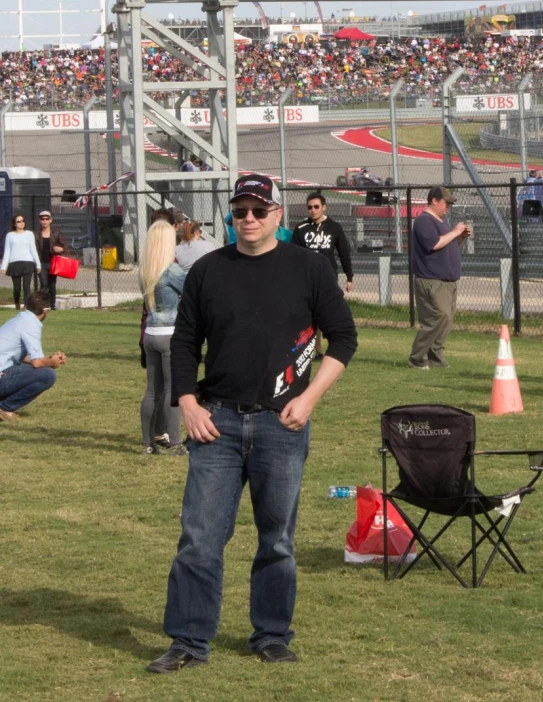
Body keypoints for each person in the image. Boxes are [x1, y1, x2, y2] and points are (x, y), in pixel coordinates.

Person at [147, 174, 357, 673]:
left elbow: (344, 339)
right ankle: (188, 642)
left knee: (278, 540)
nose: (248, 219)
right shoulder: (208, 271)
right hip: (214, 425)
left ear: (278, 215)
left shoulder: (308, 267)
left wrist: (308, 400)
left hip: (280, 426)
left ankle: (271, 635)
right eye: (240, 211)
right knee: (199, 538)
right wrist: (188, 403)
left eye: (259, 211)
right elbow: (183, 343)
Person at [408, 186, 472, 370]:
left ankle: (435, 358)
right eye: (446, 203)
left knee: (446, 320)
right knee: (436, 318)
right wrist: (455, 231)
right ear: (435, 200)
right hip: (432, 280)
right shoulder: (424, 221)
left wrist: (460, 238)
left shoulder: (440, 222)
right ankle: (417, 358)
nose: (448, 208)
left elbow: (446, 246)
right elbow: (434, 244)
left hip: (447, 282)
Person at [139, 219, 188, 456]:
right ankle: (176, 442)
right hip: (170, 333)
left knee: (152, 390)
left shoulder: (146, 270)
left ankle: (148, 442)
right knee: (172, 389)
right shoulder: (171, 270)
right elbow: (191, 293)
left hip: (150, 333)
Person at [292, 192, 354, 359]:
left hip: (328, 277)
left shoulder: (334, 227)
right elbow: (294, 255)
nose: (313, 210)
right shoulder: (300, 229)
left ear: (323, 207)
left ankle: (334, 346)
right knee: (309, 315)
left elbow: (344, 253)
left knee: (327, 313)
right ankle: (314, 350)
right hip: (305, 278)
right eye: (309, 207)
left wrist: (349, 277)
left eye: (316, 207)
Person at [0, 291, 66, 421]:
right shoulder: (31, 324)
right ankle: (5, 407)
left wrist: (49, 359)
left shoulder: (18, 320)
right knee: (47, 375)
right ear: (45, 310)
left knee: (30, 368)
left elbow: (21, 357)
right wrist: (52, 363)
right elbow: (37, 363)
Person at [1, 214, 41, 310]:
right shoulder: (10, 235)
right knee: (17, 288)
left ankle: (26, 306)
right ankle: (17, 303)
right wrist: (3, 266)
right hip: (14, 263)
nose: (21, 223)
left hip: (27, 263)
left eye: (22, 221)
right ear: (14, 224)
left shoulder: (29, 234)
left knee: (26, 286)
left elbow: (33, 249)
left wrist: (38, 264)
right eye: (18, 221)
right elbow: (7, 252)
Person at [34, 210, 66, 311]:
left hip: (53, 263)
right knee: (44, 285)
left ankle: (52, 305)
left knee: (52, 285)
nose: (45, 221)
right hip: (41, 263)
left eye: (47, 219)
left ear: (50, 220)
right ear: (40, 221)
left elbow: (64, 246)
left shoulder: (56, 233)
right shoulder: (36, 234)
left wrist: (61, 249)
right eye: (42, 219)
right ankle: (43, 305)